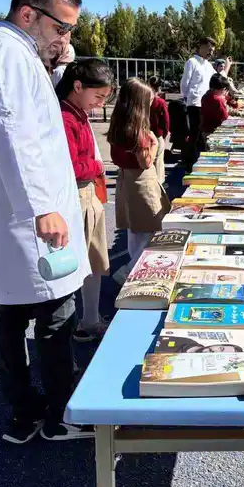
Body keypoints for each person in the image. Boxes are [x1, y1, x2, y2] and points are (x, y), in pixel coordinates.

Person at [0, 0, 92, 443]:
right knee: (55, 317)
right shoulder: (4, 56)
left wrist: (56, 60)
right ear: (28, 14)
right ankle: (61, 415)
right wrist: (42, 208)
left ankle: (24, 415)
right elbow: (15, 136)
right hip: (29, 218)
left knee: (10, 319)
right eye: (61, 28)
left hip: (14, 219)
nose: (65, 38)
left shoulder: (10, 53)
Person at [56, 59, 116, 342]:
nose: (100, 103)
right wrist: (96, 166)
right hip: (78, 197)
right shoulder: (66, 117)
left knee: (94, 263)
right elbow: (68, 166)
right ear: (77, 86)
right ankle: (82, 325)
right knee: (80, 267)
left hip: (88, 195)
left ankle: (90, 319)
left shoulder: (77, 112)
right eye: (99, 96)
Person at [108, 78, 171, 285]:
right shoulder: (139, 131)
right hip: (142, 184)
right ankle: (130, 273)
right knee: (149, 231)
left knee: (134, 232)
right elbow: (145, 162)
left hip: (125, 179)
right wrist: (153, 144)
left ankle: (131, 270)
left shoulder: (119, 125)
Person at [180, 37, 216, 171]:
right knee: (193, 135)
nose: (210, 52)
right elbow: (185, 83)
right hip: (194, 105)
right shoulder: (192, 62)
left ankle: (200, 164)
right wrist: (187, 98)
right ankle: (189, 165)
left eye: (212, 50)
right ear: (201, 47)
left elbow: (217, 79)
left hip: (206, 105)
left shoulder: (208, 65)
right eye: (209, 49)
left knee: (203, 137)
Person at [148, 76, 171, 185]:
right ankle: (159, 182)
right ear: (159, 88)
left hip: (146, 132)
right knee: (158, 160)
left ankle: (150, 180)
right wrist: (166, 132)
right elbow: (166, 119)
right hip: (157, 133)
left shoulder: (144, 100)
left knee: (149, 159)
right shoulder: (160, 102)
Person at [200, 73, 231, 147]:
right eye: (223, 89)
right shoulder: (218, 100)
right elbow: (225, 117)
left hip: (205, 129)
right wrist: (226, 106)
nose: (224, 91)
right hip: (216, 131)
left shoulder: (205, 96)